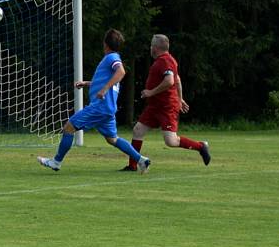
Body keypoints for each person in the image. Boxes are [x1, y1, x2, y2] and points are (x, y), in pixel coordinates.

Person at [38, 28, 151, 173]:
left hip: (100, 107)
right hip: (107, 109)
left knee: (69, 127)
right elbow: (104, 80)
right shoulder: (112, 59)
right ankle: (141, 160)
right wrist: (87, 83)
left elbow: (121, 72)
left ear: (105, 44)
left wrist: (103, 90)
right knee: (113, 139)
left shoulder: (112, 58)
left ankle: (56, 162)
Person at [121, 34, 210, 171]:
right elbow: (177, 79)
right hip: (154, 106)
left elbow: (170, 81)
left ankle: (201, 146)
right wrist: (180, 98)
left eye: (151, 46)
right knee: (138, 130)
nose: (150, 48)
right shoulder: (164, 61)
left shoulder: (165, 61)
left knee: (171, 141)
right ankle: (133, 165)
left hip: (166, 106)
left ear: (155, 48)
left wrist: (150, 92)